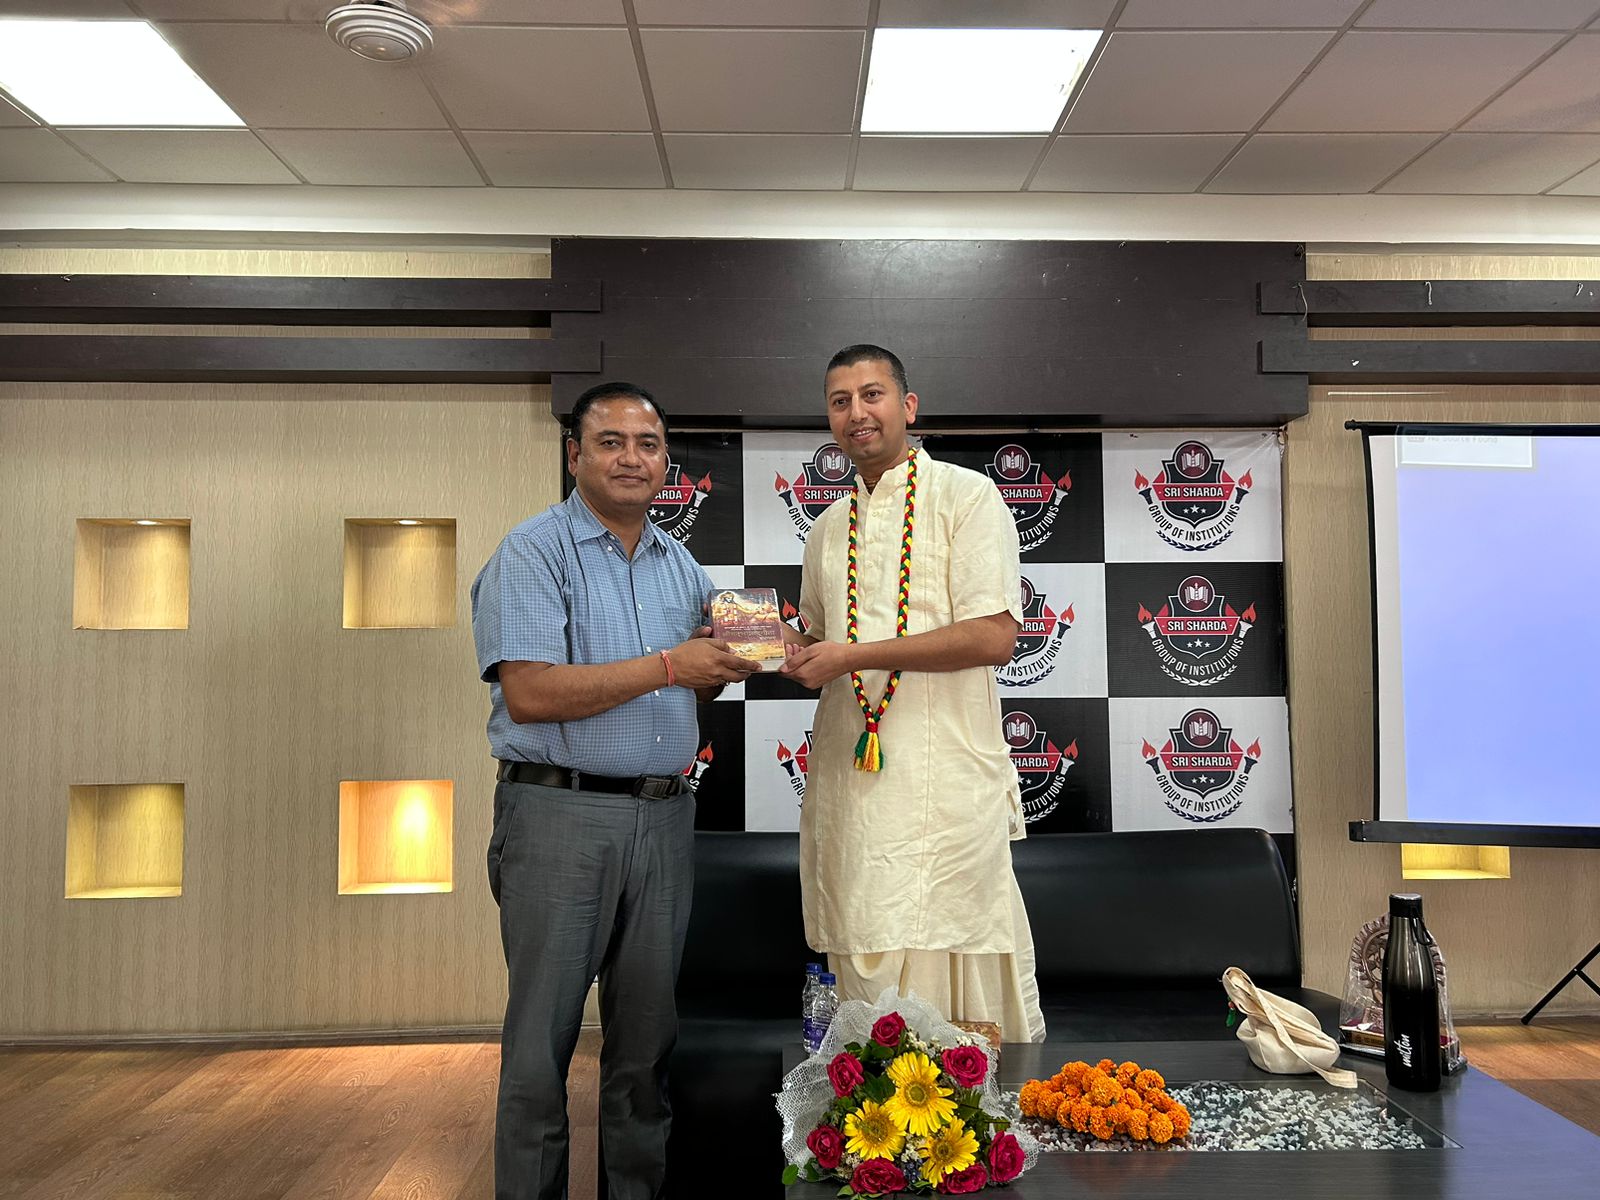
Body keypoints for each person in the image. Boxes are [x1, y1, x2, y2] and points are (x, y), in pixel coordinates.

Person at [471, 381, 759, 1200]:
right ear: (575, 455)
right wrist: (672, 664)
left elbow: (698, 677)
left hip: (662, 819)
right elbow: (531, 692)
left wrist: (736, 659)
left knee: (644, 1052)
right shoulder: (533, 550)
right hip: (558, 815)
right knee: (541, 1053)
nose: (632, 458)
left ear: (667, 460)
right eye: (610, 441)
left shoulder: (681, 564)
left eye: (648, 443)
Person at [780, 345, 1047, 1043]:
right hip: (854, 790)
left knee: (954, 966)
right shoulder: (827, 528)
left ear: (908, 406)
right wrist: (771, 645)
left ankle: (964, 1116)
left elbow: (994, 636)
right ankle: (871, 1115)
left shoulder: (967, 496)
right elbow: (819, 640)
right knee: (864, 949)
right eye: (840, 401)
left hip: (945, 788)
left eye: (872, 395)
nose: (856, 413)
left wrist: (853, 655)